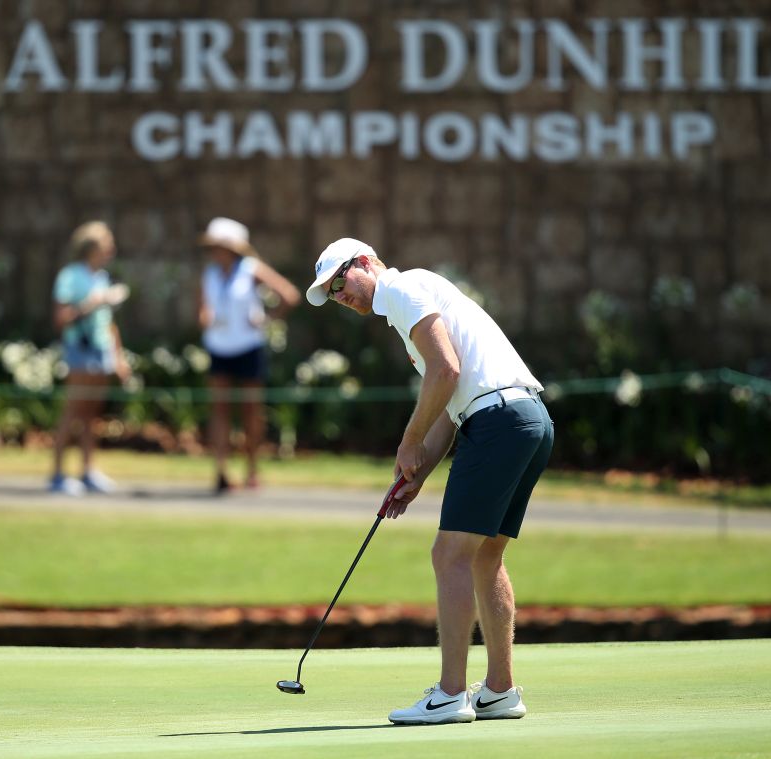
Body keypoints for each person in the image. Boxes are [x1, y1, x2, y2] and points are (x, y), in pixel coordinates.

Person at [305, 238, 553, 726]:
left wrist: (407, 440)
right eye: (331, 293)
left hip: (500, 422)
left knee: (448, 555)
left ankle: (450, 694)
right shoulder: (410, 305)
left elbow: (445, 371)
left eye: (341, 281)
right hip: (528, 420)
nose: (340, 295)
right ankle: (500, 692)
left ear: (366, 263)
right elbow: (450, 403)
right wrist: (417, 473)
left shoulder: (403, 287)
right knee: (484, 556)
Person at [197, 217, 300, 494]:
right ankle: (221, 471)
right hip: (218, 346)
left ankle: (252, 469)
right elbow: (204, 308)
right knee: (219, 411)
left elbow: (288, 295)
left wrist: (267, 319)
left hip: (247, 347)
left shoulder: (251, 269)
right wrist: (206, 318)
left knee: (250, 411)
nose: (215, 252)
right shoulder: (209, 274)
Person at [49, 221, 131, 496]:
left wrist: (118, 357)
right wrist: (92, 303)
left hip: (99, 350)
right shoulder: (71, 276)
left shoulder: (101, 277)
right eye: (106, 243)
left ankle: (87, 470)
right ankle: (58, 474)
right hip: (79, 350)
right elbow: (61, 318)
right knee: (73, 410)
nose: (111, 248)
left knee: (90, 414)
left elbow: (108, 324)